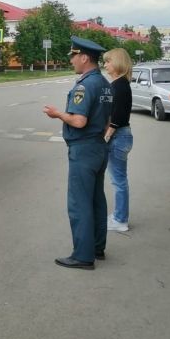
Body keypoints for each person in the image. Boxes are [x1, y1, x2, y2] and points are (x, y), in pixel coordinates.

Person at [43, 35, 112, 270]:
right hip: (99, 146)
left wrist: (57, 114)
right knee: (96, 199)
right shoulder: (103, 83)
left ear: (84, 57)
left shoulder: (85, 85)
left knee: (79, 202)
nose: (71, 60)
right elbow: (107, 121)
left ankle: (83, 256)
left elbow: (79, 121)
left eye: (73, 56)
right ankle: (97, 247)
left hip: (83, 148)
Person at [102, 48, 133, 232]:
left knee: (118, 181)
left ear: (118, 62)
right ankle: (119, 215)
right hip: (123, 136)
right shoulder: (121, 83)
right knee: (120, 180)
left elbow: (118, 117)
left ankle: (121, 220)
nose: (105, 65)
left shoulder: (119, 85)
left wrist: (106, 137)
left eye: (108, 61)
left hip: (118, 136)